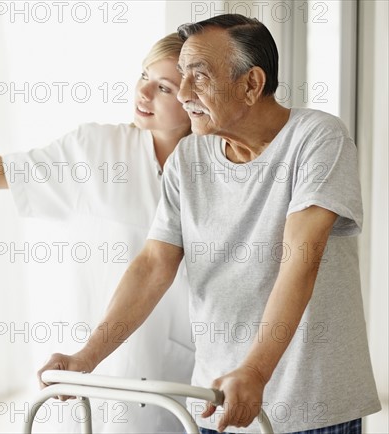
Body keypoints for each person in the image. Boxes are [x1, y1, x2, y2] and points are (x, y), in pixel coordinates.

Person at [38, 14, 381, 434]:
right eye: (181, 76)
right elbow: (153, 265)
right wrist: (86, 357)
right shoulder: (190, 158)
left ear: (251, 84)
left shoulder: (317, 138)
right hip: (215, 402)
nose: (182, 94)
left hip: (312, 403)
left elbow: (300, 260)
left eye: (197, 77)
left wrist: (255, 372)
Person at [0, 33, 195, 433]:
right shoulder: (97, 149)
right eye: (143, 75)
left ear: (195, 100)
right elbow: (0, 173)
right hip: (101, 362)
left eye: (163, 87)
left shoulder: (213, 165)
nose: (142, 91)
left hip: (184, 367)